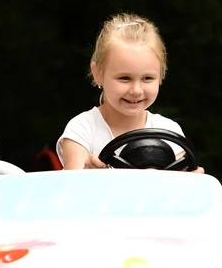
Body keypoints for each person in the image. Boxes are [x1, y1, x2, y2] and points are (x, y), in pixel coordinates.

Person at [57, 13, 204, 172]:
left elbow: (182, 190)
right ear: (98, 73)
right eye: (124, 78)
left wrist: (193, 180)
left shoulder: (169, 132)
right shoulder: (82, 130)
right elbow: (74, 189)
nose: (136, 90)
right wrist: (89, 175)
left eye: (147, 78)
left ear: (161, 75)